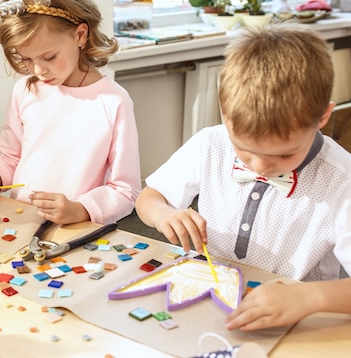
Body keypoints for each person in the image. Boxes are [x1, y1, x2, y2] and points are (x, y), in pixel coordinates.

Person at [135, 23, 351, 331]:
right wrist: (162, 213)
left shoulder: (342, 179)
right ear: (224, 111)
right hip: (207, 301)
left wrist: (308, 297)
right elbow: (149, 197)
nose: (260, 167)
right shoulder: (211, 143)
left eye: (284, 155)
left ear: (323, 117)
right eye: (244, 150)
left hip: (297, 320)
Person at [0, 0, 141, 225]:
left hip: (76, 230)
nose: (38, 70)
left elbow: (126, 190)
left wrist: (79, 209)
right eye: (26, 59)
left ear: (80, 35)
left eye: (49, 57)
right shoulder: (25, 90)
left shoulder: (113, 101)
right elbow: (11, 158)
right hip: (20, 223)